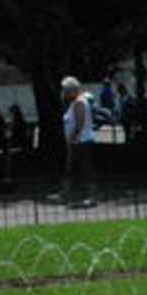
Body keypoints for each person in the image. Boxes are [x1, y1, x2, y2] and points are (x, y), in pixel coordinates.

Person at [55, 75, 98, 206]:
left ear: (72, 90)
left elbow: (80, 124)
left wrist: (72, 138)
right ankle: (66, 193)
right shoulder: (74, 103)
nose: (64, 93)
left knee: (85, 169)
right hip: (76, 142)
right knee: (71, 169)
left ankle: (91, 197)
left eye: (66, 90)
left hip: (81, 142)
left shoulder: (79, 102)